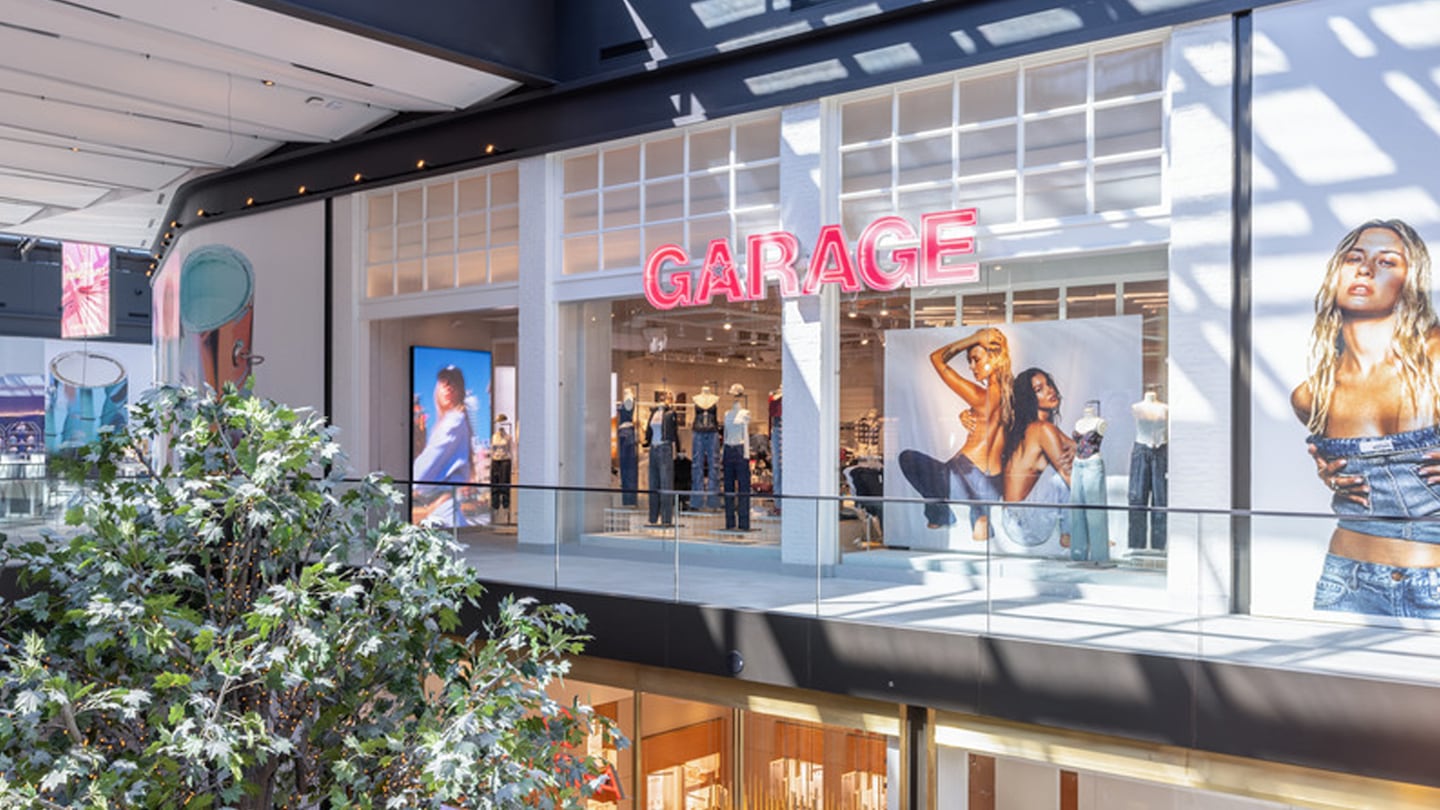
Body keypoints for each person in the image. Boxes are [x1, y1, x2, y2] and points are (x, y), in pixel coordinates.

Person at [1291, 219, 1440, 618]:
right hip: (1347, 582)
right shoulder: (1312, 395)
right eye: (1354, 258)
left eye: (1386, 261)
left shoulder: (1437, 361)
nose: (1365, 269)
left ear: (1411, 281)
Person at [899, 328, 1013, 540]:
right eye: (970, 361)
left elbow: (937, 359)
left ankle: (940, 514)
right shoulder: (1010, 396)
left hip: (965, 475)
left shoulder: (981, 397)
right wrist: (968, 413)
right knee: (980, 539)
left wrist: (972, 339)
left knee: (907, 458)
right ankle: (977, 514)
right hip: (994, 483)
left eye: (976, 359)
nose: (971, 367)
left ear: (994, 359)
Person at [999, 368, 1075, 548]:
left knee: (1070, 469)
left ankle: (1069, 534)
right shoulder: (1042, 430)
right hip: (1025, 523)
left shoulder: (1039, 428)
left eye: (1049, 384)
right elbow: (1070, 477)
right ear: (1029, 399)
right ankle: (1072, 534)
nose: (1050, 390)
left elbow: (1079, 447)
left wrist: (1076, 452)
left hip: (1012, 519)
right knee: (1065, 477)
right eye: (1039, 389)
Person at [412, 365, 474, 527]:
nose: (448, 386)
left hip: (443, 511)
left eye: (453, 383)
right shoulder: (448, 421)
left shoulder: (454, 421)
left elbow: (420, 476)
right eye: (443, 381)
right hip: (442, 508)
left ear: (460, 391)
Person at [644, 393, 679, 526]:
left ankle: (666, 519)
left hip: (665, 447)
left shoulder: (670, 414)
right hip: (653, 448)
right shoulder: (653, 413)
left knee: (666, 484)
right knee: (653, 484)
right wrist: (646, 441)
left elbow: (675, 433)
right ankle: (652, 518)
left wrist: (678, 450)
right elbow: (649, 431)